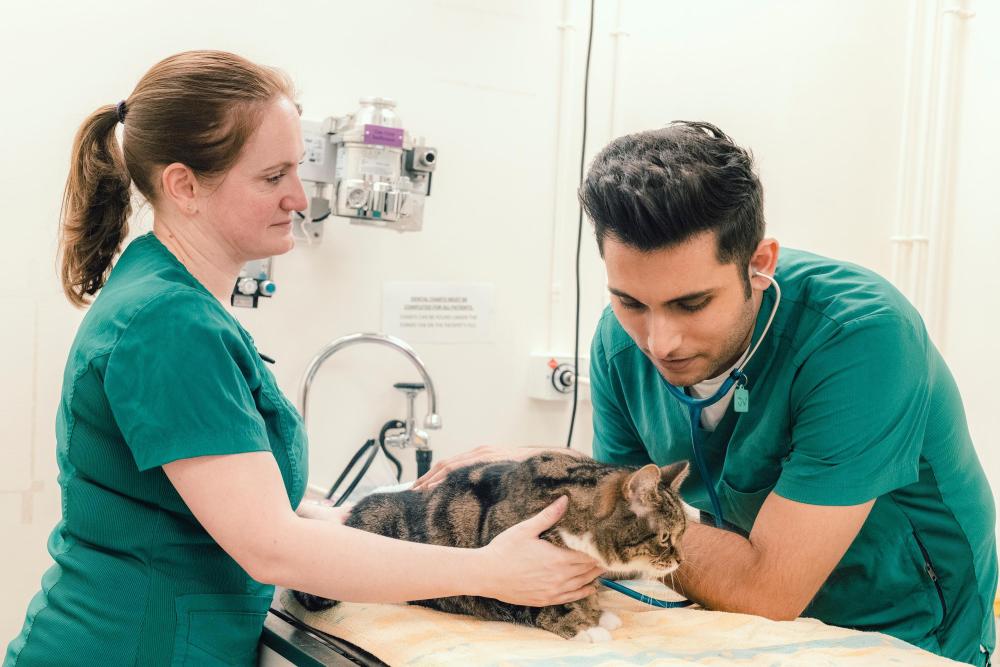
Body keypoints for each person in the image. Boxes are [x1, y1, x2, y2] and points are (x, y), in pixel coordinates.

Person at [4, 50, 603, 667]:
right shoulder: (167, 323)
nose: (298, 196)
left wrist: (354, 519)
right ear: (184, 186)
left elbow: (225, 505)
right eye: (272, 177)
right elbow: (272, 547)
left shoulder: (168, 296)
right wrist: (487, 572)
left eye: (299, 169)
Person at [417, 122, 997, 666]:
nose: (659, 341)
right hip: (742, 624)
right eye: (630, 302)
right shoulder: (619, 345)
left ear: (759, 264)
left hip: (901, 626)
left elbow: (765, 589)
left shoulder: (861, 339)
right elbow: (629, 508)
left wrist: (585, 486)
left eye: (691, 304)